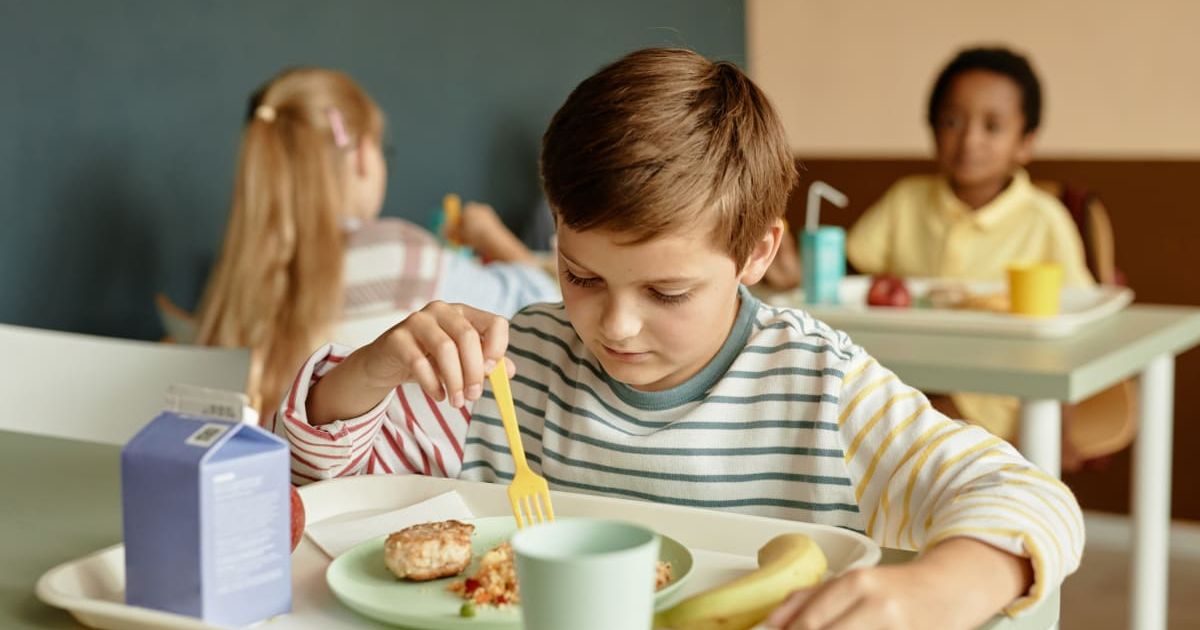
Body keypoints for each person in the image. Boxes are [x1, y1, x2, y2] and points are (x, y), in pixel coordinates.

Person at [276, 50, 1082, 628]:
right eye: (581, 276)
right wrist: (370, 372)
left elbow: (1032, 500)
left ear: (758, 254)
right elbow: (327, 495)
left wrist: (933, 594)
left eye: (667, 291)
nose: (615, 327)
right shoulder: (521, 363)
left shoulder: (820, 389)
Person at [194, 68, 557, 419]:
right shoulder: (400, 253)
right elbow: (549, 307)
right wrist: (498, 240)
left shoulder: (234, 280)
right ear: (364, 155)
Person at [845, 46, 1094, 444]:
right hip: (908, 379)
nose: (969, 139)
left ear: (1025, 141)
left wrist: (1064, 419)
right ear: (932, 129)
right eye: (952, 121)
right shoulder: (906, 200)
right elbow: (848, 272)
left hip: (1005, 395)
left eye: (992, 126)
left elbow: (1076, 325)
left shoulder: (1045, 220)